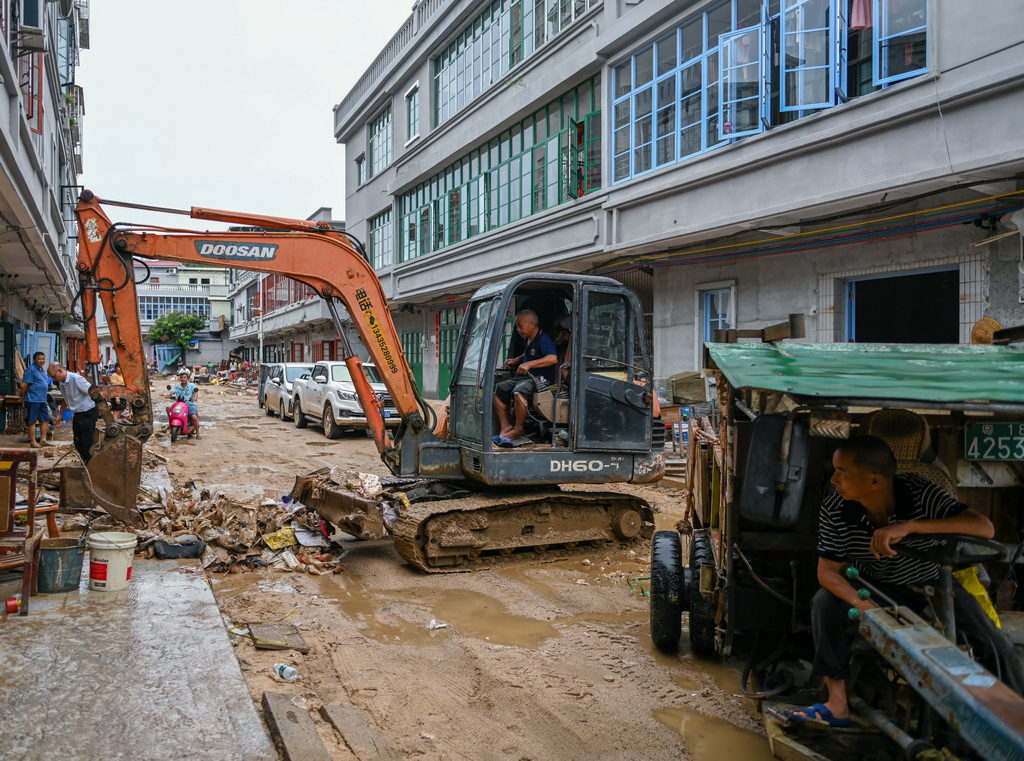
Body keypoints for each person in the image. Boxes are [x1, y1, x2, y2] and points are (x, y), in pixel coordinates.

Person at [790, 436, 1024, 727]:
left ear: (874, 480)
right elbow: (826, 573)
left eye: (842, 472)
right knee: (823, 603)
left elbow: (984, 527)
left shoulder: (921, 492)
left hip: (932, 585)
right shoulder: (835, 507)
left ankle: (1016, 721)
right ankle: (837, 703)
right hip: (874, 586)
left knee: (992, 641)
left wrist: (910, 527)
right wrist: (860, 603)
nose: (834, 478)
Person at [492, 309, 558, 447]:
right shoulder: (528, 339)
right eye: (517, 326)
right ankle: (506, 427)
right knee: (499, 389)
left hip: (541, 379)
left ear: (532, 325)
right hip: (526, 377)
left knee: (518, 392)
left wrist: (529, 364)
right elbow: (530, 353)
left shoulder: (544, 339)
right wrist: (517, 360)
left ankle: (518, 429)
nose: (518, 329)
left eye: (520, 325)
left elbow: (552, 358)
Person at [48, 362, 98, 464]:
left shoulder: (77, 379)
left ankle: (92, 464)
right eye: (51, 377)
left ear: (60, 370)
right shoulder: (62, 383)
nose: (53, 379)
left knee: (87, 441)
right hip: (78, 413)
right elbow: (65, 399)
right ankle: (88, 461)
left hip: (88, 411)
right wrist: (59, 414)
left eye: (54, 376)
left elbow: (93, 392)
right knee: (77, 442)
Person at [20, 351, 53, 447]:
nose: (42, 360)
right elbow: (24, 385)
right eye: (39, 359)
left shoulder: (42, 370)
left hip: (42, 399)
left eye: (43, 359)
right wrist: (22, 396)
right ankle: (33, 442)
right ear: (35, 360)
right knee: (32, 421)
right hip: (33, 400)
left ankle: (43, 440)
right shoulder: (30, 370)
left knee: (45, 419)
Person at [168, 370, 200, 439]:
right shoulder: (177, 387)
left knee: (194, 417)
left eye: (185, 377)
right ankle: (170, 424)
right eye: (182, 377)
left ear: (187, 378)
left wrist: (195, 398)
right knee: (168, 409)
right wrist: (169, 395)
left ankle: (197, 433)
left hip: (189, 405)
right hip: (179, 405)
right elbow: (172, 392)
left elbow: (196, 392)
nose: (183, 379)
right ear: (180, 379)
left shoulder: (192, 385)